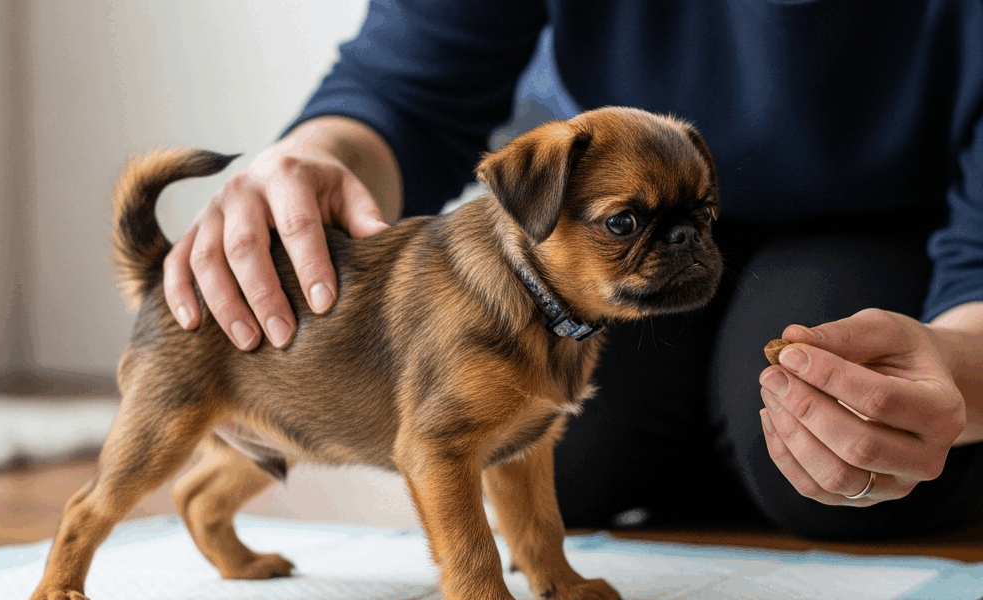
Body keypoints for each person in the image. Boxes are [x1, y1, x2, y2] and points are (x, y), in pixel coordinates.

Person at [161, 1, 983, 539]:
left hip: (907, 221)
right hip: (572, 213)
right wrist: (313, 159)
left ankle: (722, 426)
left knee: (837, 467)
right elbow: (410, 88)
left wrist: (960, 368)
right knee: (550, 443)